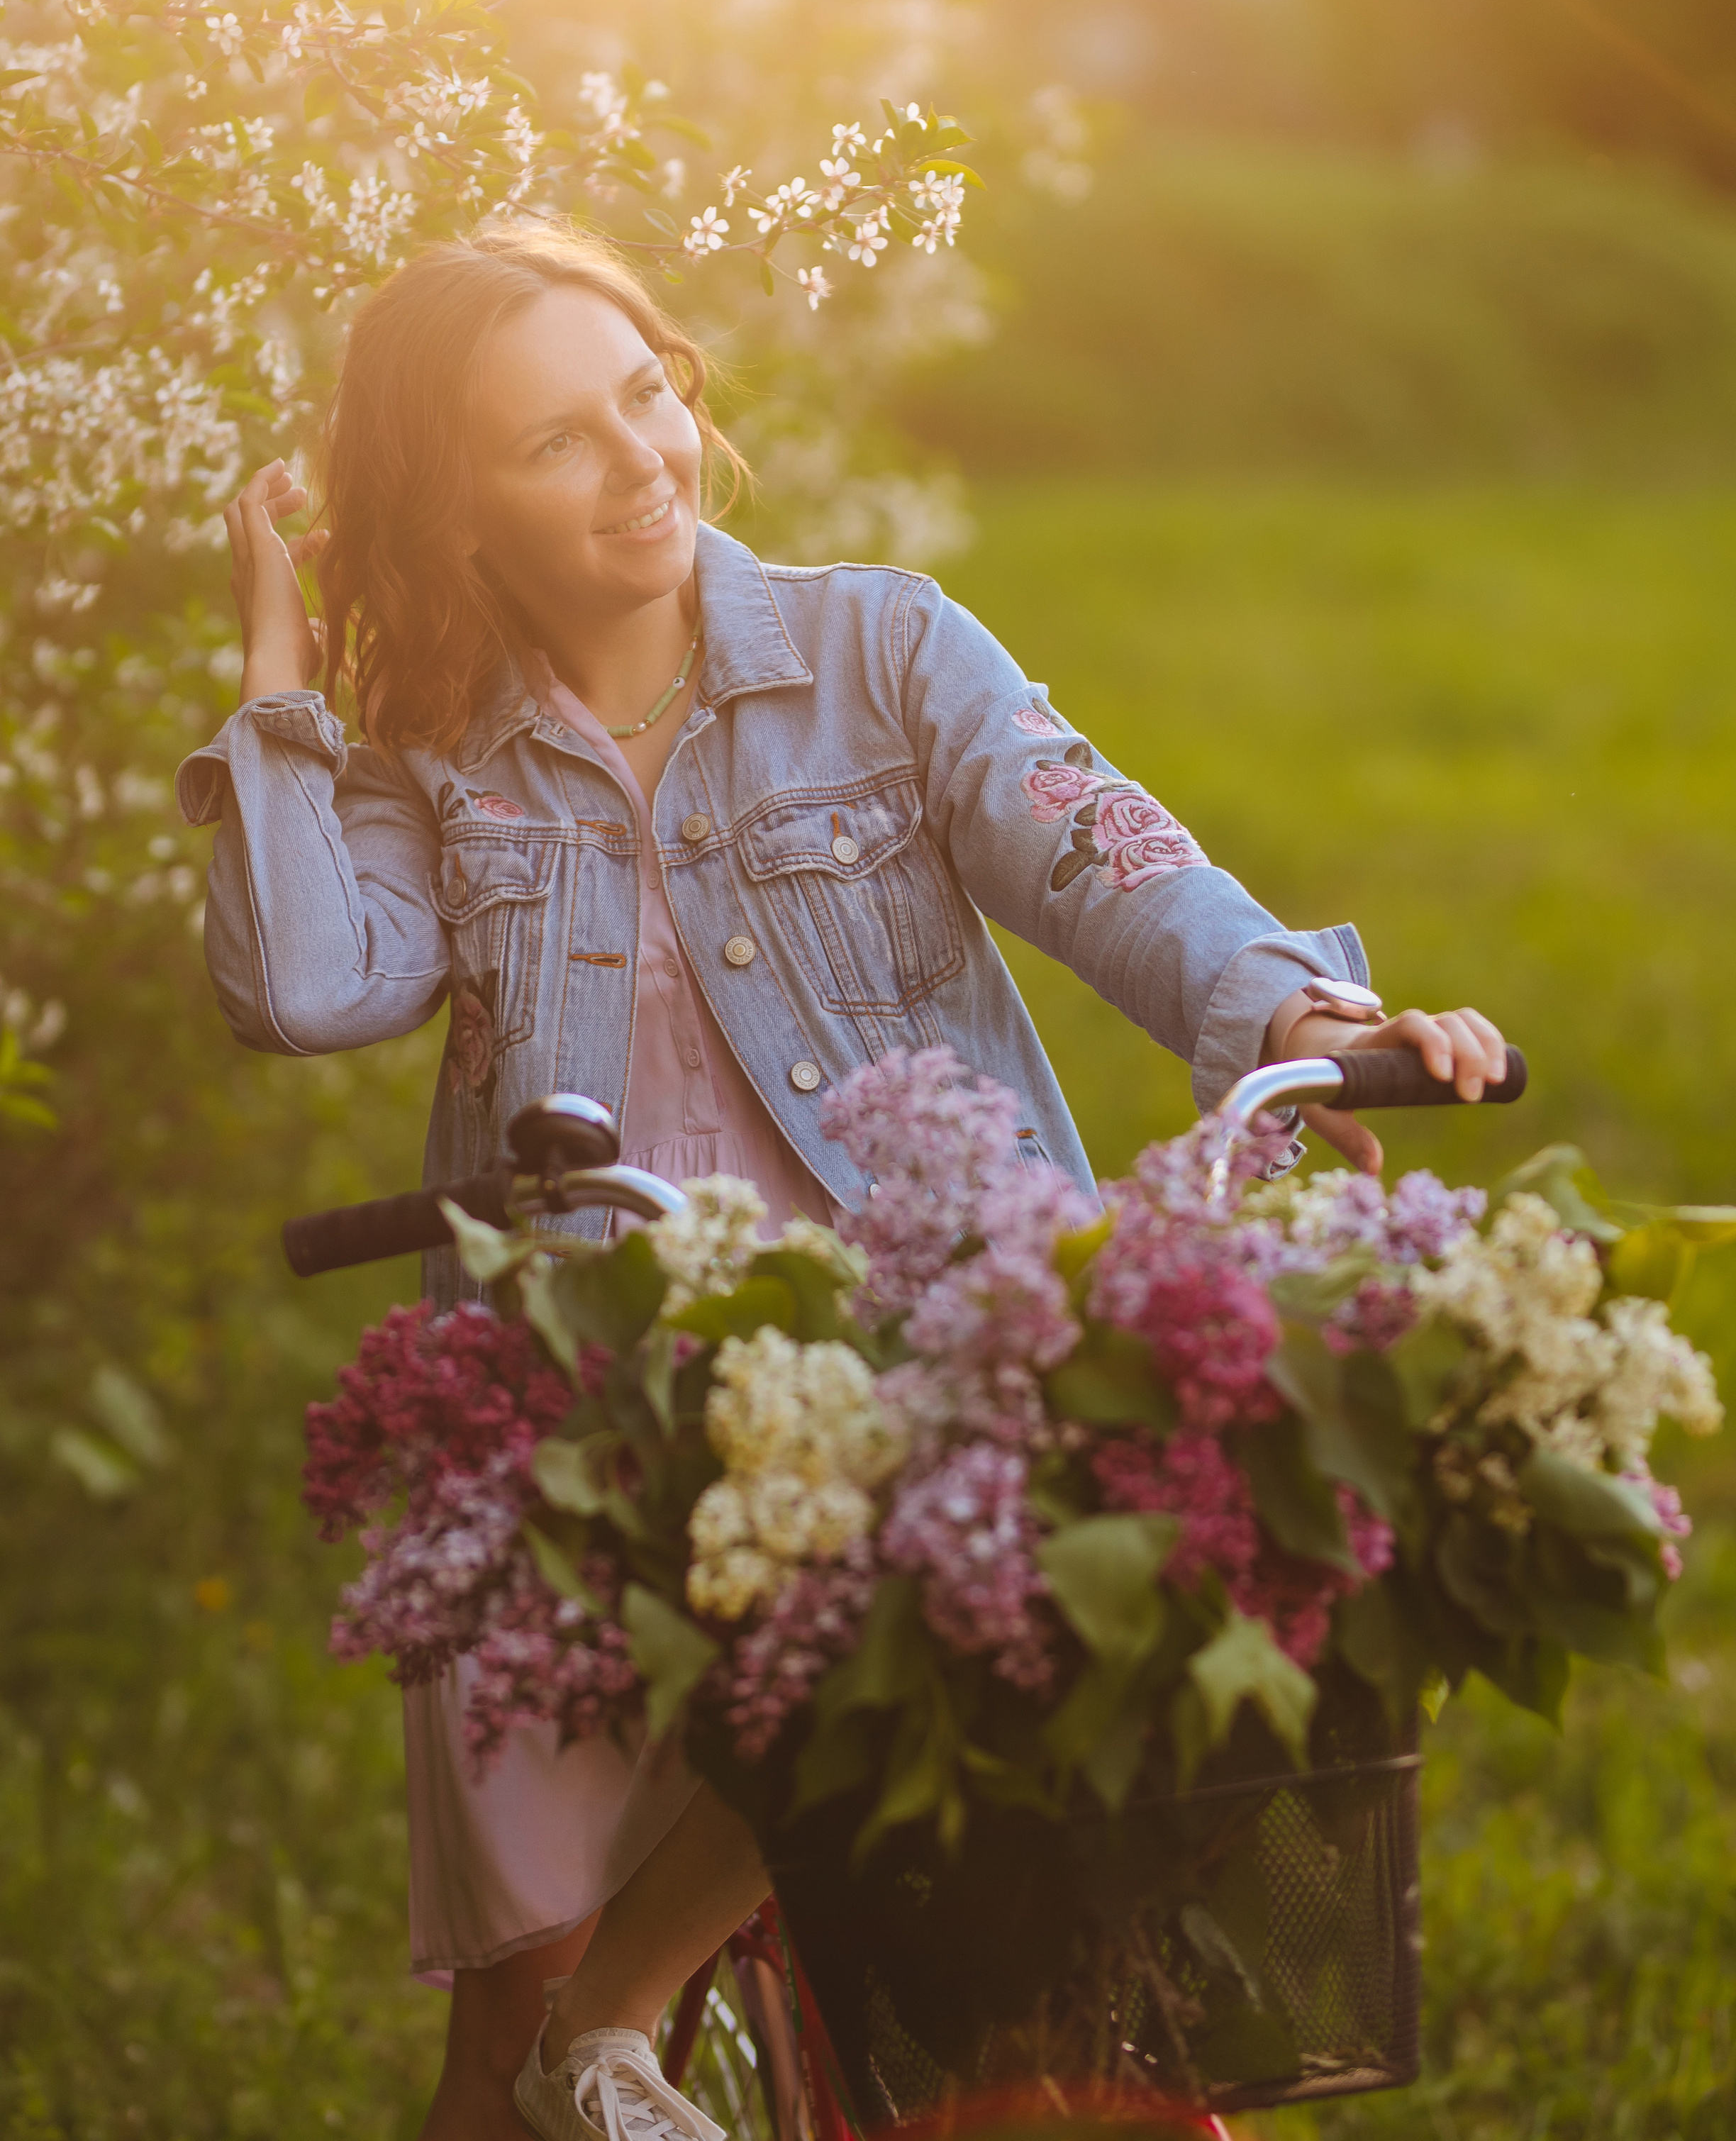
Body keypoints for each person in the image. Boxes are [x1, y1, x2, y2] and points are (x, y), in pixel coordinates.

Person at [179, 221, 1506, 2141]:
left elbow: (1106, 853)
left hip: (914, 1367)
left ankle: (621, 2021)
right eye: (554, 439)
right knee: (504, 2037)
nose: (639, 455)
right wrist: (279, 662)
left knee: (1050, 1994)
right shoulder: (433, 768)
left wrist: (1302, 1011)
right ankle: (577, 2033)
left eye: (645, 389)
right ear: (452, 502)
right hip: (585, 1409)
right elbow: (299, 981)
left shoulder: (880, 649)